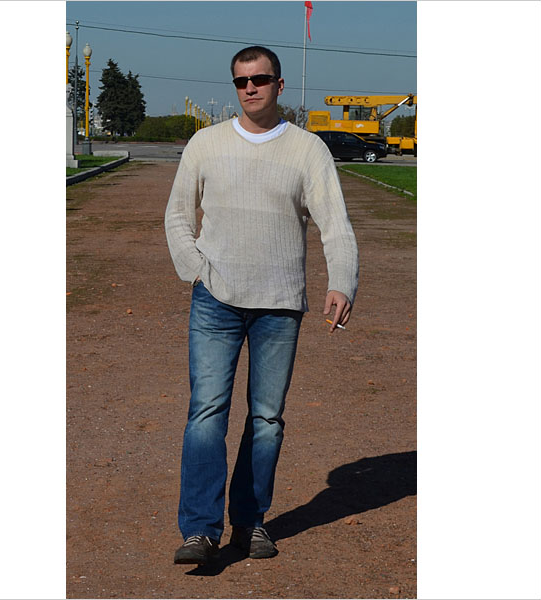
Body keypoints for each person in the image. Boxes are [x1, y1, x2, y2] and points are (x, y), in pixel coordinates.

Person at [165, 46, 359, 565]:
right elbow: (177, 215)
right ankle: (200, 530)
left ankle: (250, 522)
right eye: (241, 81)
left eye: (260, 79)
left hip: (279, 303)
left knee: (267, 419)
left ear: (278, 85)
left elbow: (335, 224)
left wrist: (342, 282)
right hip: (215, 299)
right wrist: (195, 268)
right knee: (206, 412)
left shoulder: (308, 150)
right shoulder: (206, 144)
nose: (250, 88)